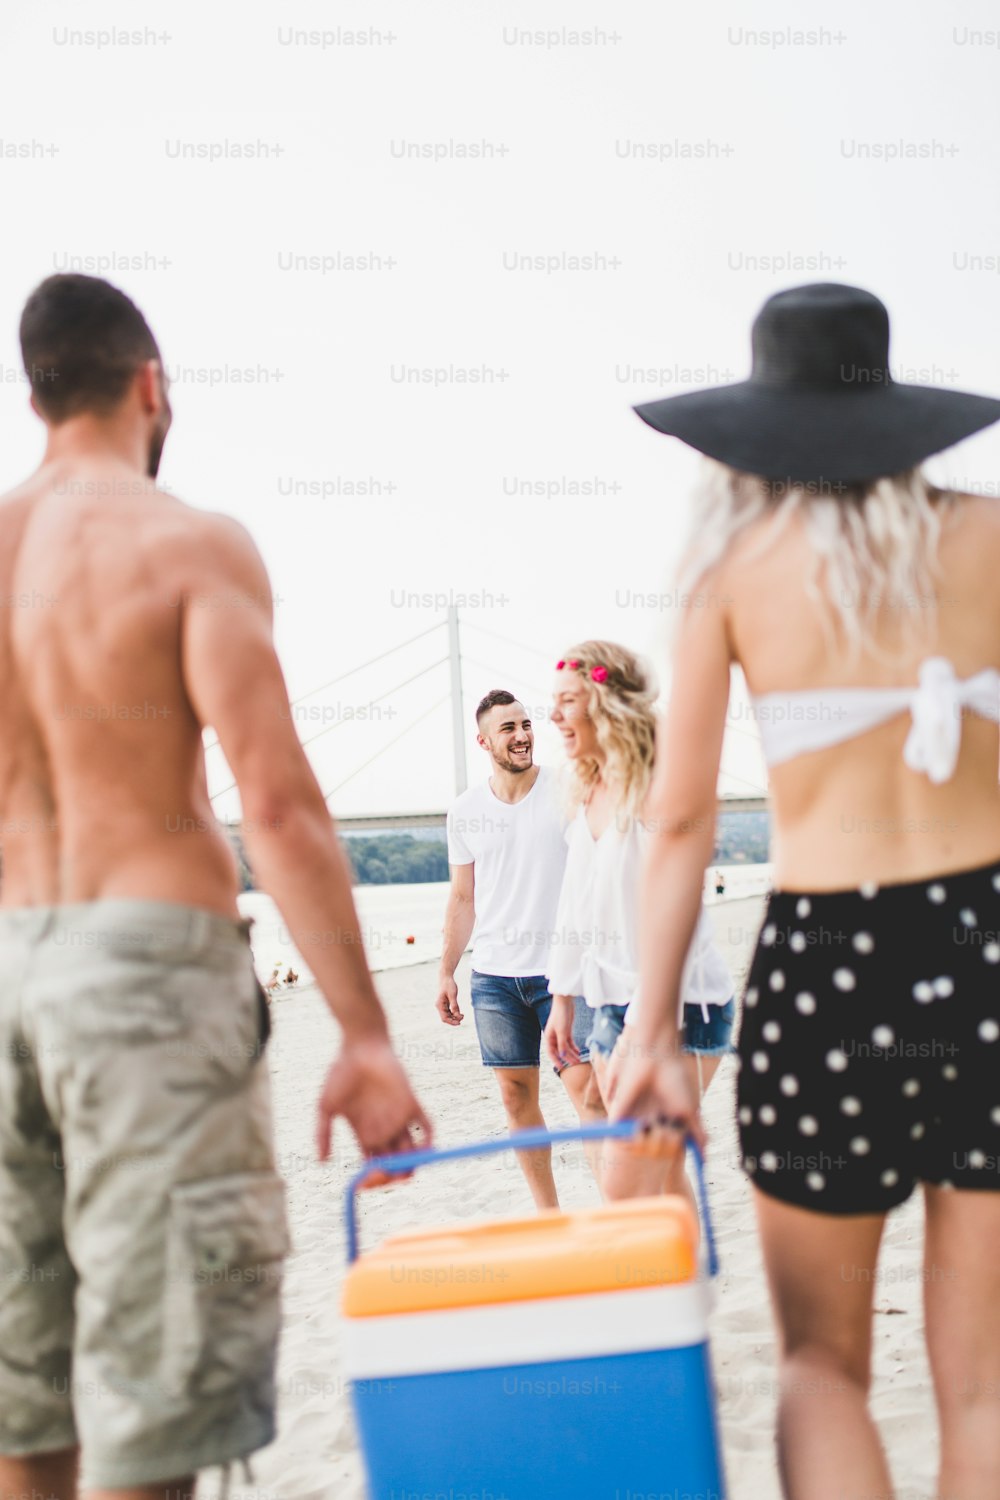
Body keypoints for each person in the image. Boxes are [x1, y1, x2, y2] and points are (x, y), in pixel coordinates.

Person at [0, 273, 430, 1500]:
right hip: (143, 974)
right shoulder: (184, 541)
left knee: (23, 1396)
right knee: (162, 1392)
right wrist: (363, 1032)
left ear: (36, 396)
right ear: (151, 388)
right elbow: (279, 807)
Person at [610, 282, 1000, 1500]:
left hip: (829, 963)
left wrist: (653, 1028)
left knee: (821, 1368)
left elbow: (677, 821)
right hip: (988, 944)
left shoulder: (732, 574)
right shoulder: (993, 536)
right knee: (985, 1384)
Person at [542, 642, 734, 1204]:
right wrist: (561, 996)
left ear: (606, 704)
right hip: (609, 1006)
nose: (552, 716)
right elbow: (575, 907)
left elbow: (676, 919)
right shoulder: (588, 792)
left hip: (682, 1008)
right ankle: (686, 1287)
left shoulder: (658, 790)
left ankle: (665, 1286)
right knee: (659, 1178)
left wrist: (645, 1030)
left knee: (631, 1182)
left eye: (567, 701)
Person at [436, 689, 603, 1208]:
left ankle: (618, 1208)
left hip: (563, 977)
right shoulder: (464, 811)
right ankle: (549, 1218)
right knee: (516, 1100)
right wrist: (446, 972)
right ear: (484, 741)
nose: (522, 735)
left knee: (589, 1095)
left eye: (526, 725)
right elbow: (463, 898)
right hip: (494, 982)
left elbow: (600, 871)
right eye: (508, 729)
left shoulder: (566, 790)